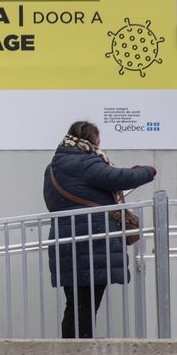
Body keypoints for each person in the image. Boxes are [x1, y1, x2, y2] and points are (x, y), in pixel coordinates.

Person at [43, 121, 156, 338]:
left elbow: (52, 202)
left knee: (76, 306)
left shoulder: (53, 167)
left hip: (65, 245)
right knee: (85, 307)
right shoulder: (85, 163)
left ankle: (72, 349)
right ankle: (79, 350)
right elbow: (121, 178)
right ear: (91, 140)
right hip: (91, 245)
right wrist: (148, 171)